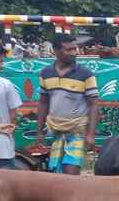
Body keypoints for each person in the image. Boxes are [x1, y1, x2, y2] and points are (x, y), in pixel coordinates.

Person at [34, 34, 99, 175]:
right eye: (68, 50)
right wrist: (39, 131)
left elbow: (93, 105)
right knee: (55, 172)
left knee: (71, 172)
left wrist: (91, 134)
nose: (74, 53)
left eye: (75, 49)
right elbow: (43, 102)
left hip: (77, 131)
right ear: (55, 51)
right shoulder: (46, 73)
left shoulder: (85, 74)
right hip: (54, 131)